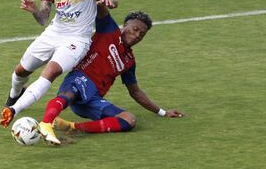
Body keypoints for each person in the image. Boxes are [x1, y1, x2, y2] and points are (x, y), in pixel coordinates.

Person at [0, 0, 118, 127]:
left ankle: (13, 109)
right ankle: (14, 94)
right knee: (20, 71)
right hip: (54, 33)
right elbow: (43, 19)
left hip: (77, 39)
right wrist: (34, 11)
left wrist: (110, 2)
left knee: (51, 71)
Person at [38, 9, 185, 145]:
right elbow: (97, 2)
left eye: (141, 34)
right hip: (79, 79)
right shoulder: (109, 29)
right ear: (126, 24)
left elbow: (135, 92)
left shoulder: (129, 60)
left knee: (129, 120)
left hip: (93, 99)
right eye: (135, 29)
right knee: (69, 94)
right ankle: (46, 124)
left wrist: (163, 112)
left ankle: (74, 127)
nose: (136, 36)